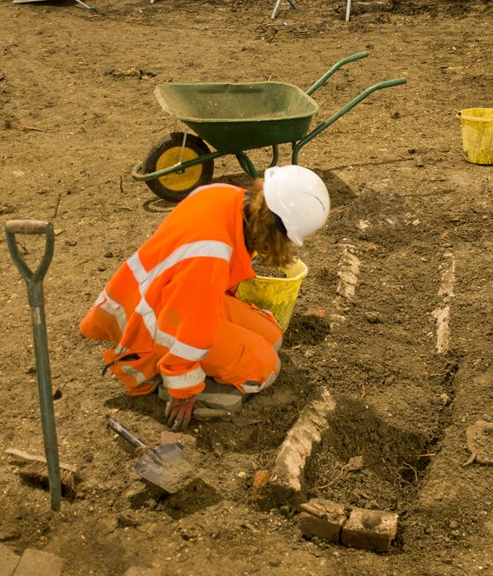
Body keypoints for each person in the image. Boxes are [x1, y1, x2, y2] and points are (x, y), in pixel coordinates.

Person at [80, 165, 330, 430]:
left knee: (272, 335)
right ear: (277, 231)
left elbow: (200, 293)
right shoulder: (210, 255)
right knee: (266, 367)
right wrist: (183, 393)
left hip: (164, 296)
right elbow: (182, 332)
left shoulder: (226, 195)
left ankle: (196, 373)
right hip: (150, 326)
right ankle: (174, 385)